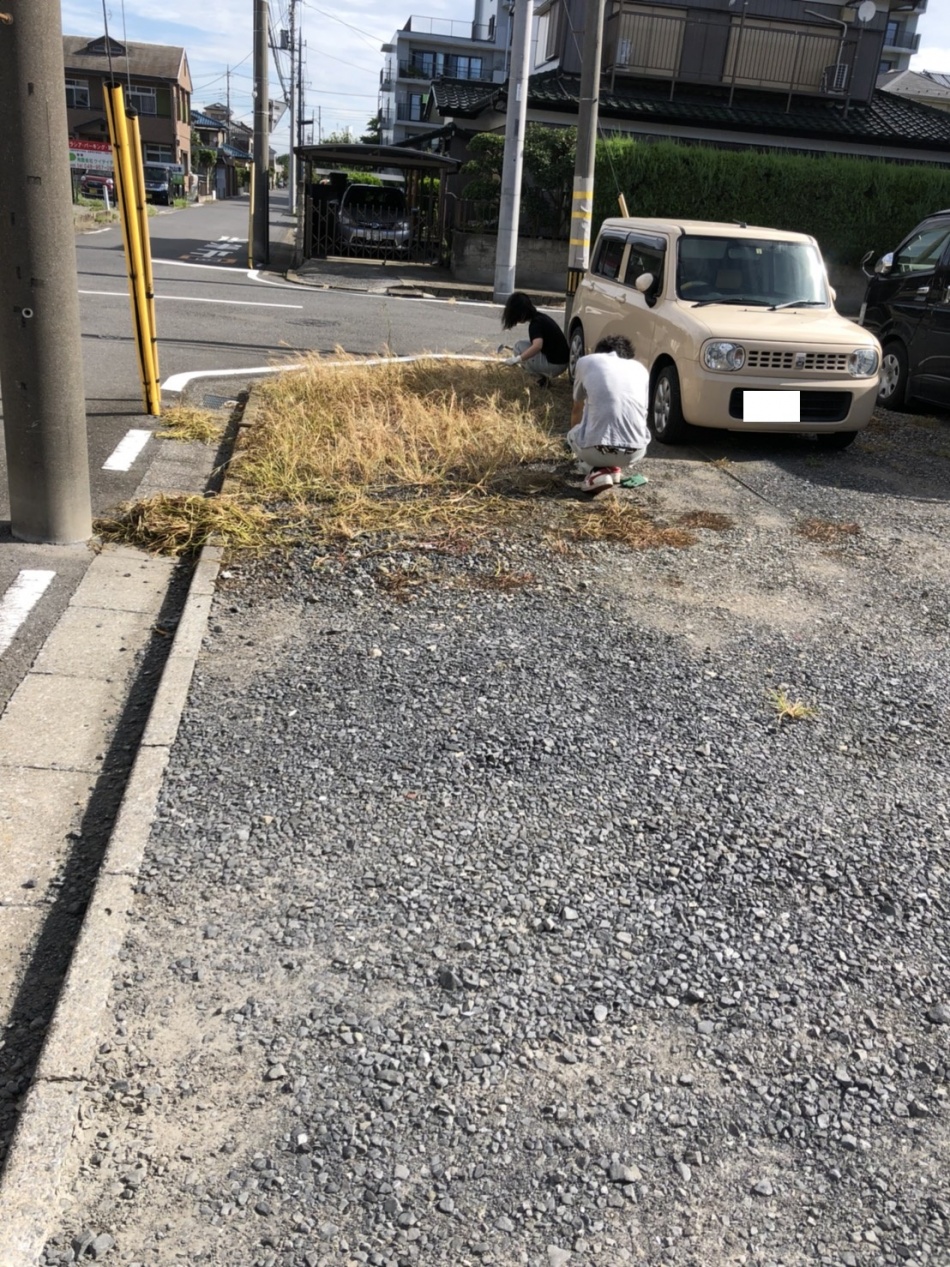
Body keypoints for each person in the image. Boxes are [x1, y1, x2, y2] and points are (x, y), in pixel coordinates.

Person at [568, 334, 650, 493]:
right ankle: (612, 468)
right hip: (636, 452)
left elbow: (577, 407)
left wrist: (576, 441)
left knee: (580, 423)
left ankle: (596, 473)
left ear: (598, 352)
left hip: (596, 451)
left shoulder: (586, 362)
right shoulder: (640, 369)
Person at [500, 292, 569, 385]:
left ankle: (538, 380)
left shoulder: (535, 324)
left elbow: (537, 346)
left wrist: (518, 359)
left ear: (522, 314)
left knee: (519, 347)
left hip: (555, 366)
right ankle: (543, 379)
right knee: (521, 345)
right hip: (561, 362)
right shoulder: (541, 318)